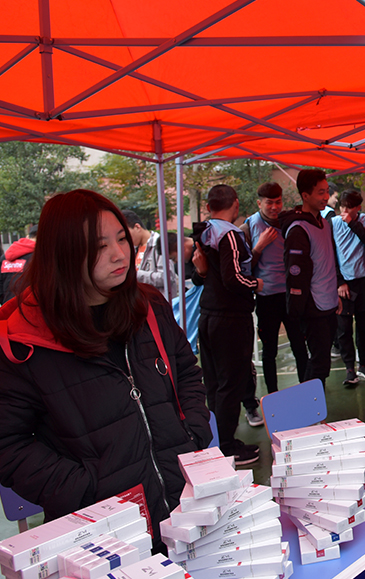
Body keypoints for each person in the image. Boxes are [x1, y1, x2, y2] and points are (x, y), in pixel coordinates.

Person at [0, 189, 211, 547]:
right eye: (99, 246)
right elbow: (8, 445)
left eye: (121, 239)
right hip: (102, 538)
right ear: (63, 254)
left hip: (185, 513)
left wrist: (193, 433)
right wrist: (84, 488)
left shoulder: (149, 308)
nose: (119, 254)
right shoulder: (24, 341)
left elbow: (186, 371)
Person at [193, 185, 263, 465]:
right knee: (231, 383)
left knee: (215, 384)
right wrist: (255, 283)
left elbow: (199, 274)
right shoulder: (229, 235)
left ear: (208, 206)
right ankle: (227, 446)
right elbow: (233, 278)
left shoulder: (204, 232)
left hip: (208, 315)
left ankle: (216, 442)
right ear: (235, 203)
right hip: (230, 319)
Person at [241, 182, 309, 390]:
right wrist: (259, 247)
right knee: (269, 350)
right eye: (269, 203)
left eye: (278, 202)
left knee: (300, 345)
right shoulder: (248, 227)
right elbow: (243, 268)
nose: (274, 207)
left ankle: (307, 391)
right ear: (259, 203)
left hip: (291, 295)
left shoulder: (289, 222)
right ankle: (272, 395)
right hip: (266, 297)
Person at [281, 169, 341, 388]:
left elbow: (328, 261)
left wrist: (335, 292)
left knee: (321, 363)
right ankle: (309, 406)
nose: (326, 197)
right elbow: (296, 274)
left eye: (326, 191)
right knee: (318, 364)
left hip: (328, 303)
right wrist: (297, 310)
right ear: (305, 195)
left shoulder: (323, 223)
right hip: (313, 308)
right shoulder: (298, 229)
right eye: (320, 192)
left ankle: (314, 404)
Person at [331, 189, 365, 385]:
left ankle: (364, 365)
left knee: (364, 326)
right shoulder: (333, 223)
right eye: (342, 207)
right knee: (343, 327)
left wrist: (353, 223)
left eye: (349, 208)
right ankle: (349, 369)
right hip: (345, 282)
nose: (345, 211)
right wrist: (339, 281)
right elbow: (330, 253)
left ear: (358, 207)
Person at [123, 210, 178, 300]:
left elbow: (167, 277)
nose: (126, 239)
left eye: (127, 234)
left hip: (158, 302)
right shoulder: (133, 249)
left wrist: (135, 274)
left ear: (137, 227)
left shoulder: (159, 244)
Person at [0, 225, 36, 303]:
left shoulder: (4, 258)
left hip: (8, 306)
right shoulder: (40, 258)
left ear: (27, 237)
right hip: (29, 306)